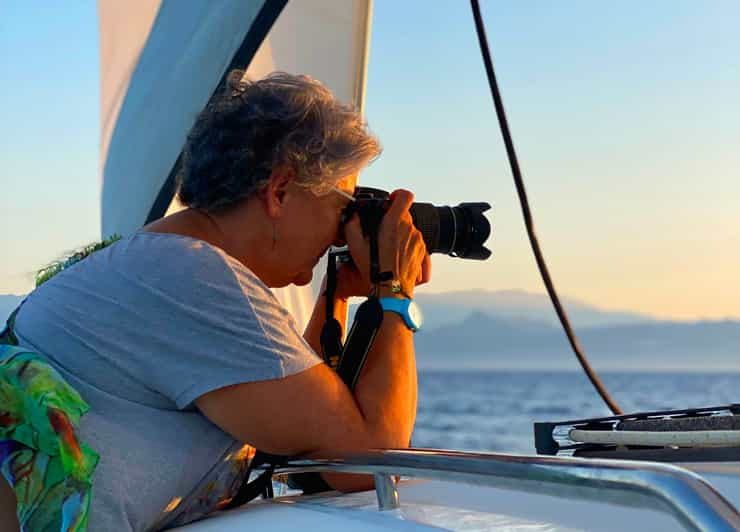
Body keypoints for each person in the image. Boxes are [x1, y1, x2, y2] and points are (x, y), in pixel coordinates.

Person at [3, 71, 431, 531]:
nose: (339, 232)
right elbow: (368, 460)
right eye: (342, 206)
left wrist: (337, 296)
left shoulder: (152, 262)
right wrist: (394, 291)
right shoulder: (199, 279)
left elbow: (306, 418)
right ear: (280, 190)